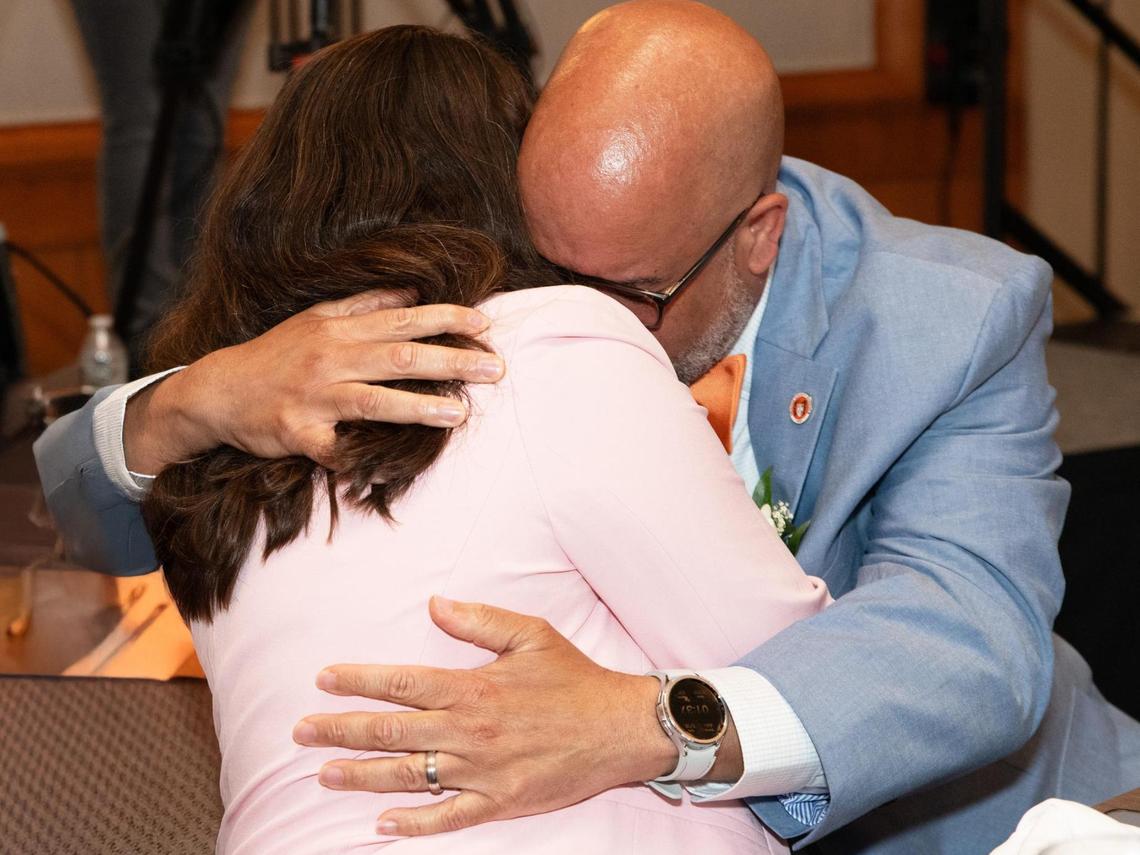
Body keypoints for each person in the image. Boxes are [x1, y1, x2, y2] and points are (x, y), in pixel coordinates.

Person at [34, 2, 1140, 853]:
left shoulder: (950, 316)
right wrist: (193, 397)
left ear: (757, 235)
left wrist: (651, 724)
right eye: (550, 266)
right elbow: (98, 522)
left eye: (636, 293)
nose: (582, 321)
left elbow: (969, 646)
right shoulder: (529, 322)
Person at [113, 23, 831, 854]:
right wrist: (648, 717)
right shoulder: (545, 345)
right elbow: (801, 673)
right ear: (509, 182)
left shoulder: (215, 453)